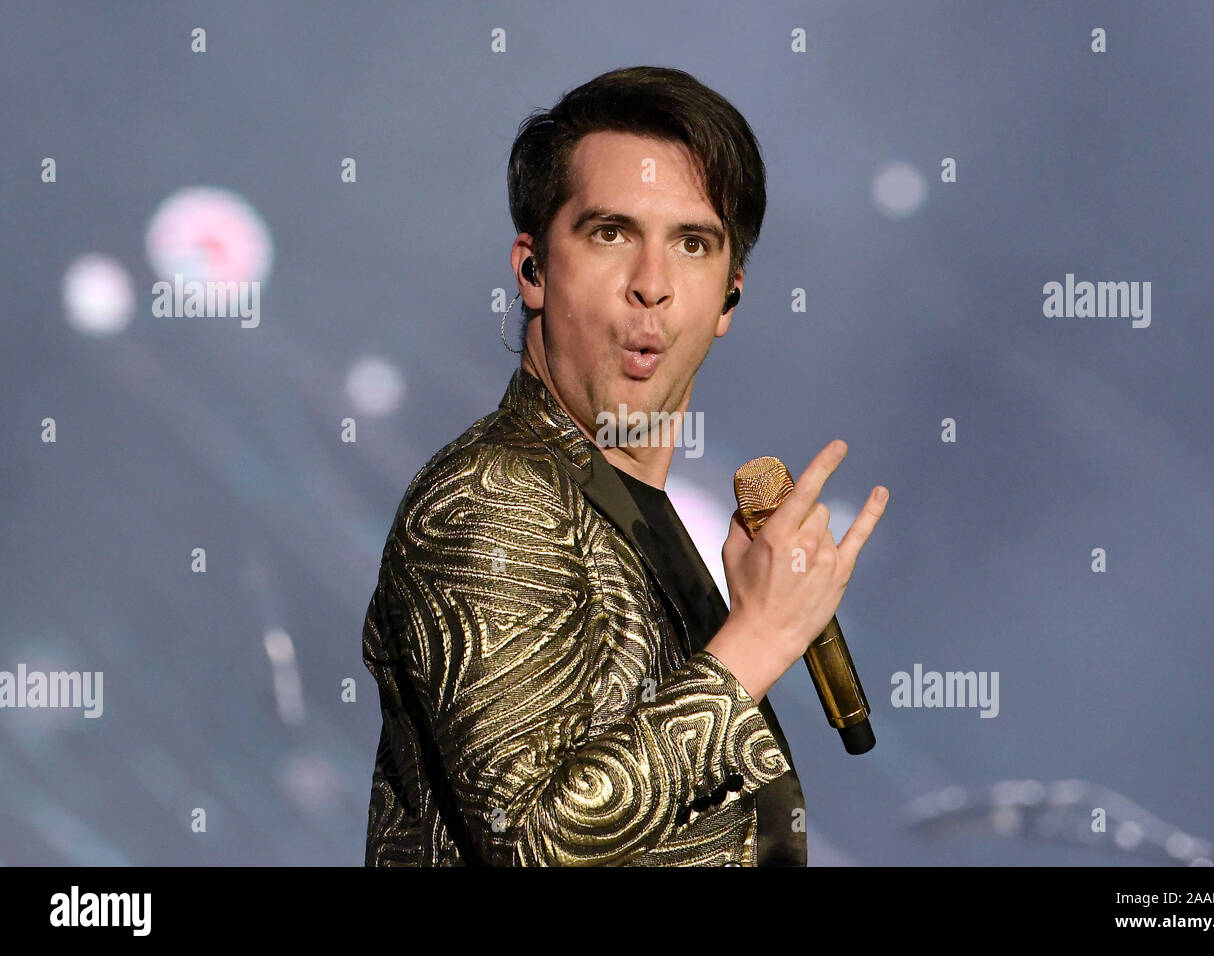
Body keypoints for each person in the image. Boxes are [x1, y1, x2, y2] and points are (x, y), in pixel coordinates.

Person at [361, 65, 889, 866]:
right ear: (533, 268)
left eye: (692, 244)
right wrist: (758, 638)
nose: (652, 286)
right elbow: (532, 840)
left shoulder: (642, 522)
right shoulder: (493, 496)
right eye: (611, 234)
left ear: (730, 299)